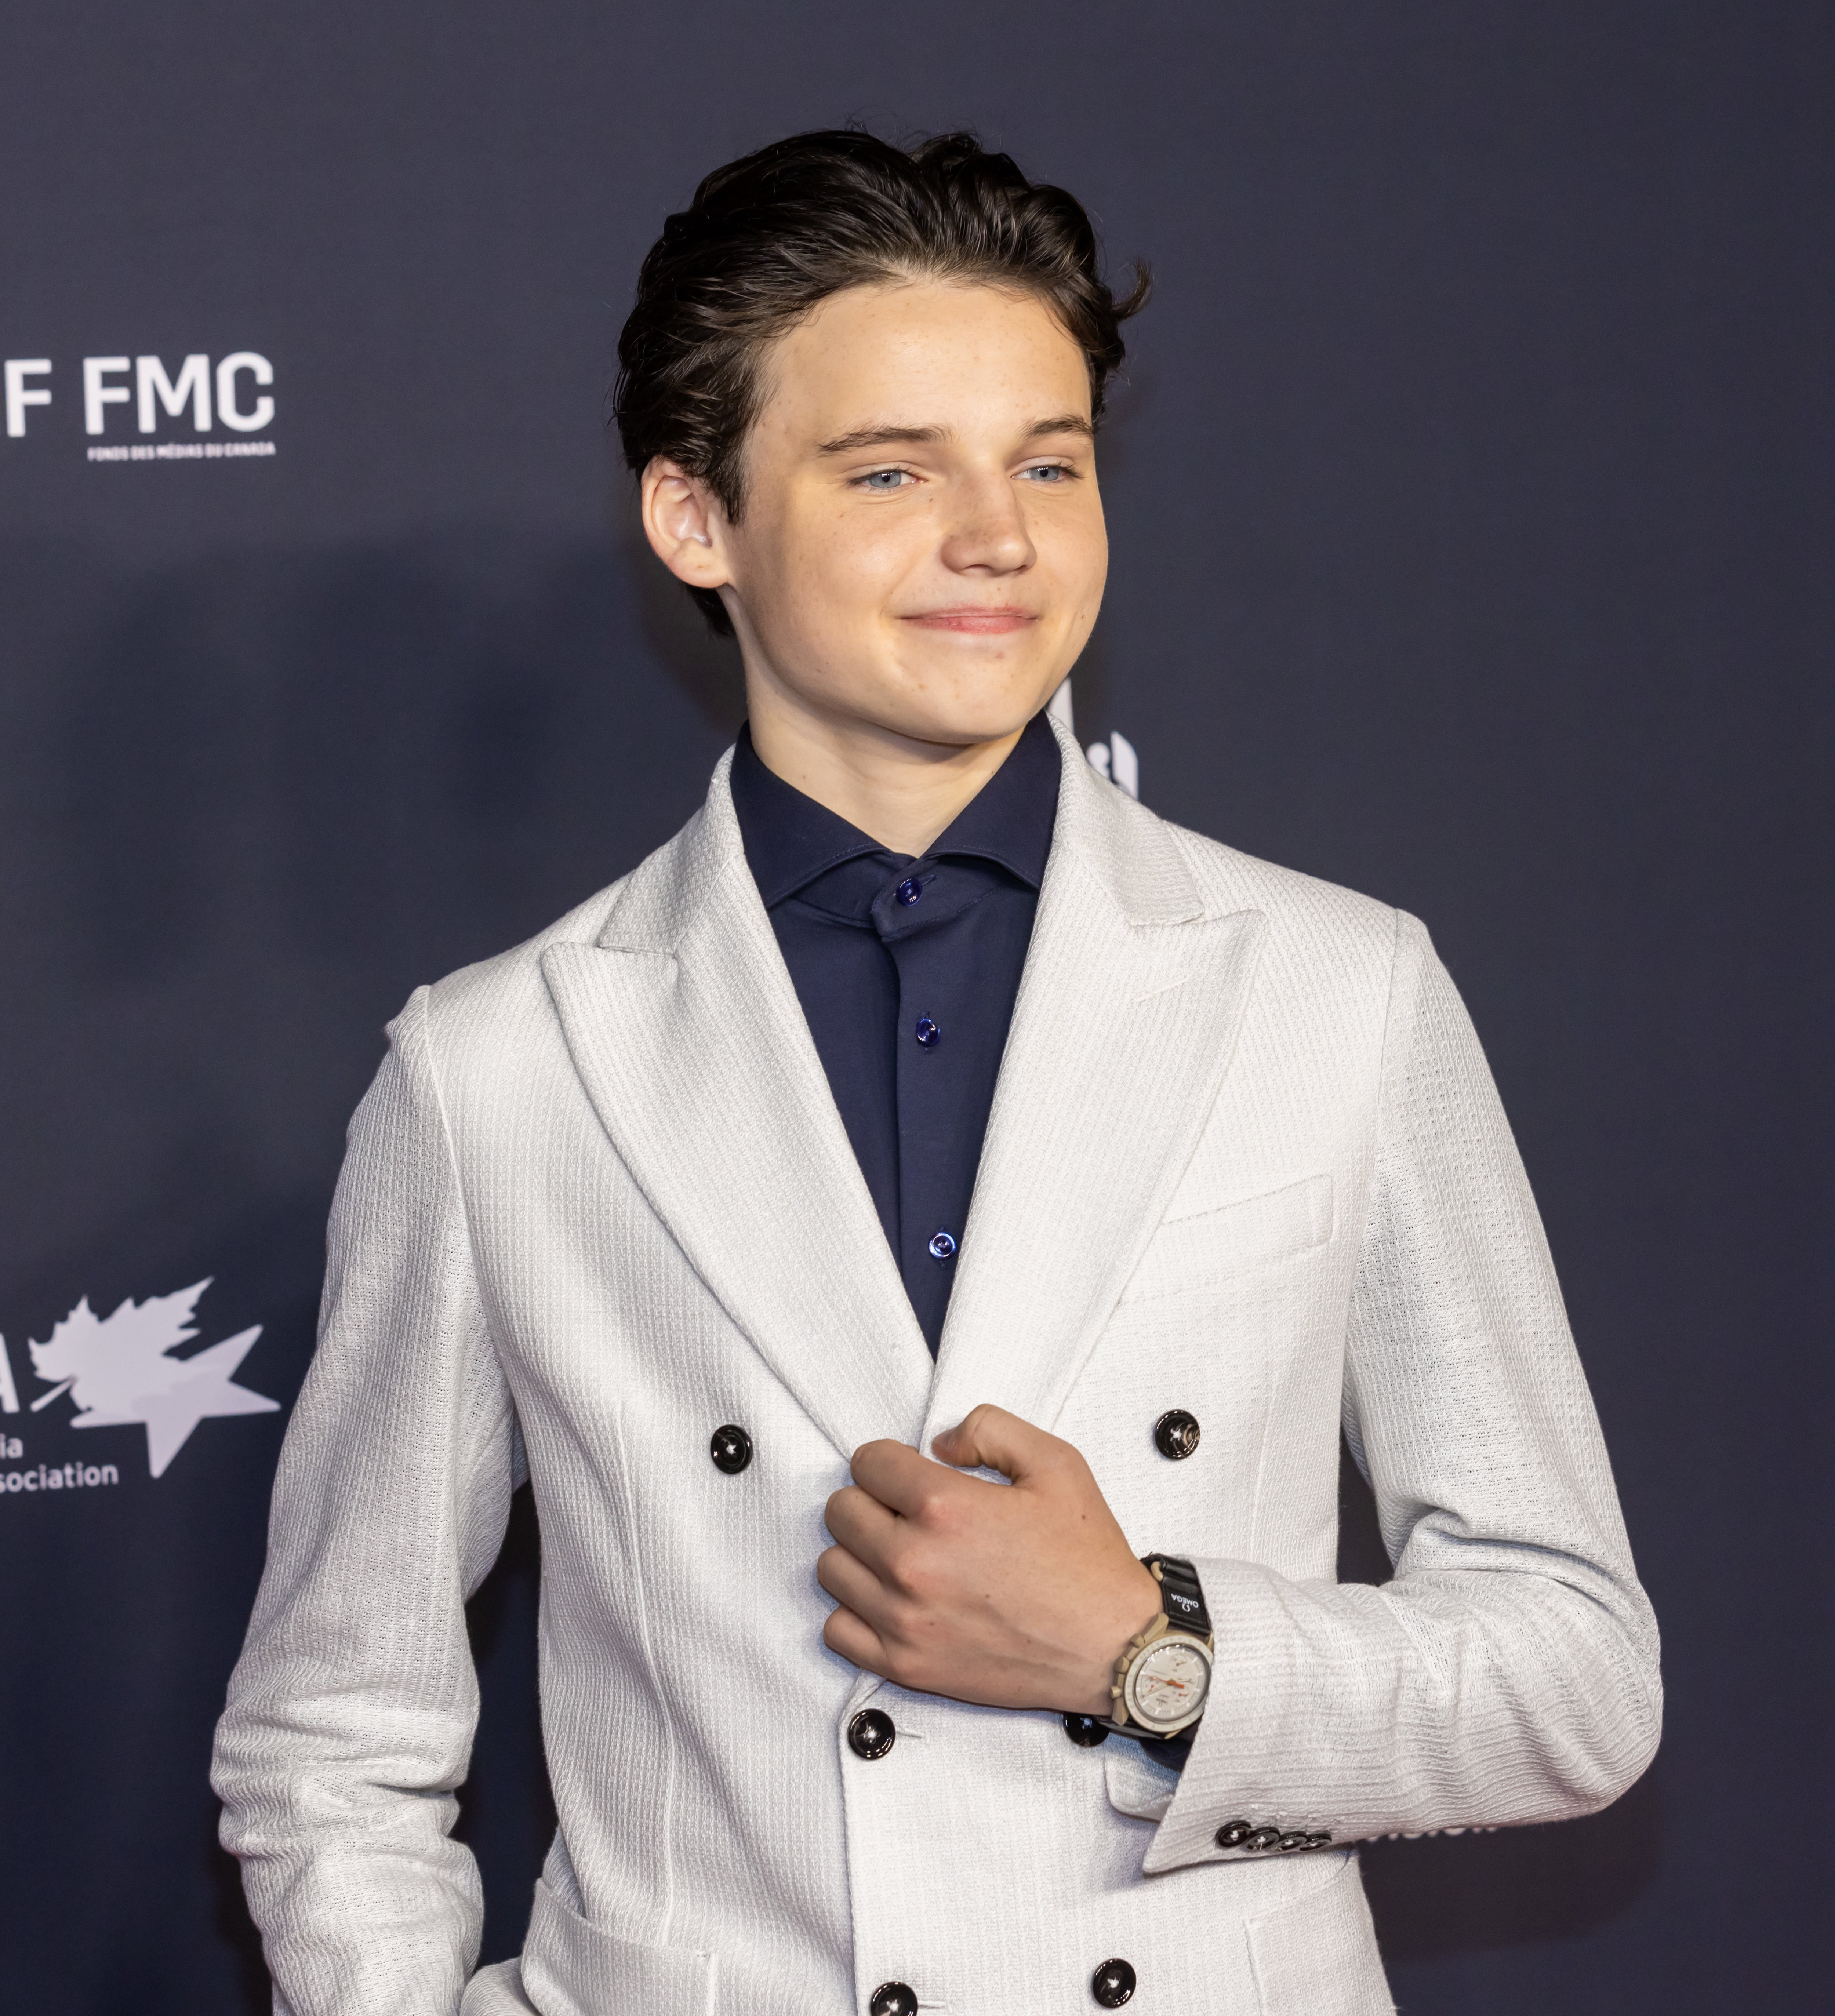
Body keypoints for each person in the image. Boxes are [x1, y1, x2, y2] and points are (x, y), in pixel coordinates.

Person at [212, 130, 1660, 2016]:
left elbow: (1572, 1682)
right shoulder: (499, 1066)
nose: (1000, 537)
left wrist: (1147, 1651)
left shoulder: (1336, 989)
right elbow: (337, 1728)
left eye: (1046, 463)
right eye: (891, 469)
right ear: (694, 520)